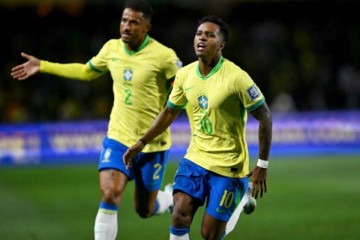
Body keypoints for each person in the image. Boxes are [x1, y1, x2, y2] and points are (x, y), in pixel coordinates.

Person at [11, 0, 182, 239]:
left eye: (134, 22)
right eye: (124, 20)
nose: (126, 26)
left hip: (152, 144)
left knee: (145, 209)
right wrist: (44, 65)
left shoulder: (164, 57)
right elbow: (86, 71)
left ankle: (166, 198)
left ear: (146, 27)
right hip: (118, 138)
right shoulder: (111, 49)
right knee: (110, 193)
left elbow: (183, 92)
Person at [123, 15, 272, 240]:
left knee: (209, 235)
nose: (201, 38)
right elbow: (169, 111)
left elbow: (265, 117)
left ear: (221, 44)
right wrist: (142, 142)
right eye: (199, 34)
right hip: (195, 159)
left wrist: (262, 164)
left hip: (228, 167)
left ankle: (241, 199)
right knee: (179, 214)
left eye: (209, 35)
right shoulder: (184, 75)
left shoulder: (236, 78)